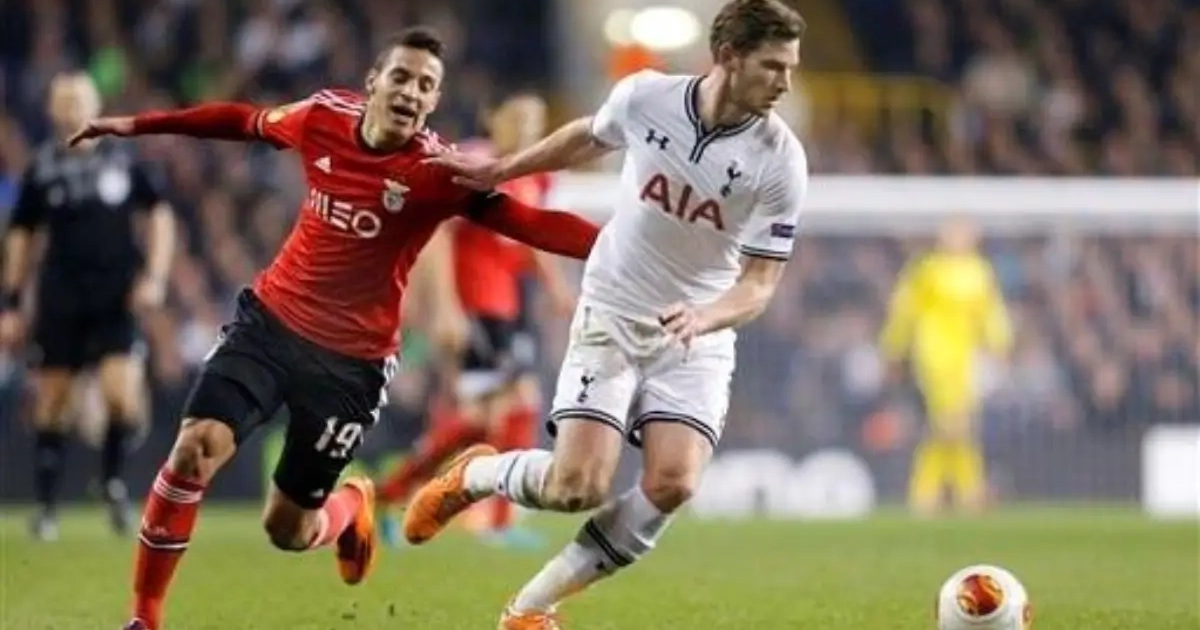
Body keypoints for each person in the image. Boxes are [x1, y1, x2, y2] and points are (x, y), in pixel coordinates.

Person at [66, 27, 599, 630]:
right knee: (193, 450)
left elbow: (533, 224)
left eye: (425, 85)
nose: (411, 91)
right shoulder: (322, 117)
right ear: (374, 81)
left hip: (351, 365)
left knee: (287, 529)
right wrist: (135, 125)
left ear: (433, 101)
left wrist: (629, 249)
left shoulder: (438, 172)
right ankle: (144, 617)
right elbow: (240, 121)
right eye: (401, 76)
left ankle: (352, 506)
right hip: (270, 325)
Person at [405, 1, 810, 627]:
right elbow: (589, 135)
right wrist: (503, 169)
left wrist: (707, 316)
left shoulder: (780, 159)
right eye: (773, 66)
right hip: (615, 309)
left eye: (790, 68)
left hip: (698, 330)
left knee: (674, 483)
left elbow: (759, 284)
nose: (785, 82)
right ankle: (475, 474)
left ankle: (530, 609)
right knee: (576, 487)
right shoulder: (647, 97)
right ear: (728, 56)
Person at [376, 92, 575, 549]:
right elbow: (438, 233)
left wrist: (558, 291)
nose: (527, 130)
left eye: (535, 123)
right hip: (476, 306)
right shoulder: (476, 166)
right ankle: (495, 520)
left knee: (483, 418)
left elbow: (532, 236)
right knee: (514, 403)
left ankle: (392, 495)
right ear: (493, 118)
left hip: (509, 308)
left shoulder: (533, 175)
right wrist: (444, 306)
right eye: (518, 118)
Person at [0, 72, 176, 542]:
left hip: (116, 296)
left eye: (79, 100)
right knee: (53, 402)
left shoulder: (125, 158)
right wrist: (12, 302)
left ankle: (113, 482)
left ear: (95, 105)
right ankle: (46, 507)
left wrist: (155, 276)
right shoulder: (41, 169)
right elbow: (21, 236)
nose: (71, 109)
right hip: (61, 297)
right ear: (52, 110)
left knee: (122, 397)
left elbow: (159, 215)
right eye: (63, 101)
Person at [878, 217, 1012, 516]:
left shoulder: (979, 271)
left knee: (952, 427)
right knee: (953, 423)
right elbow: (905, 310)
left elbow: (991, 312)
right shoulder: (927, 270)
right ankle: (968, 491)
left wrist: (1000, 344)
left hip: (966, 356)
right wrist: (894, 348)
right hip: (934, 352)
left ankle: (928, 494)